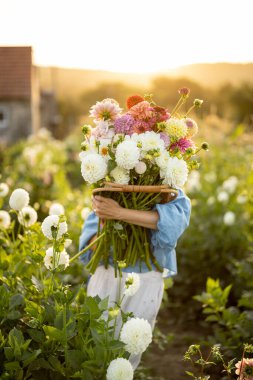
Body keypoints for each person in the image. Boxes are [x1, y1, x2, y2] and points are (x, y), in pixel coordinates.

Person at [79, 189, 191, 369]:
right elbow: (90, 242)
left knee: (128, 357)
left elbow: (173, 224)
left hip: (145, 280)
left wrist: (119, 213)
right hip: (107, 273)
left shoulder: (167, 187)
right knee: (94, 350)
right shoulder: (110, 185)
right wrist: (105, 221)